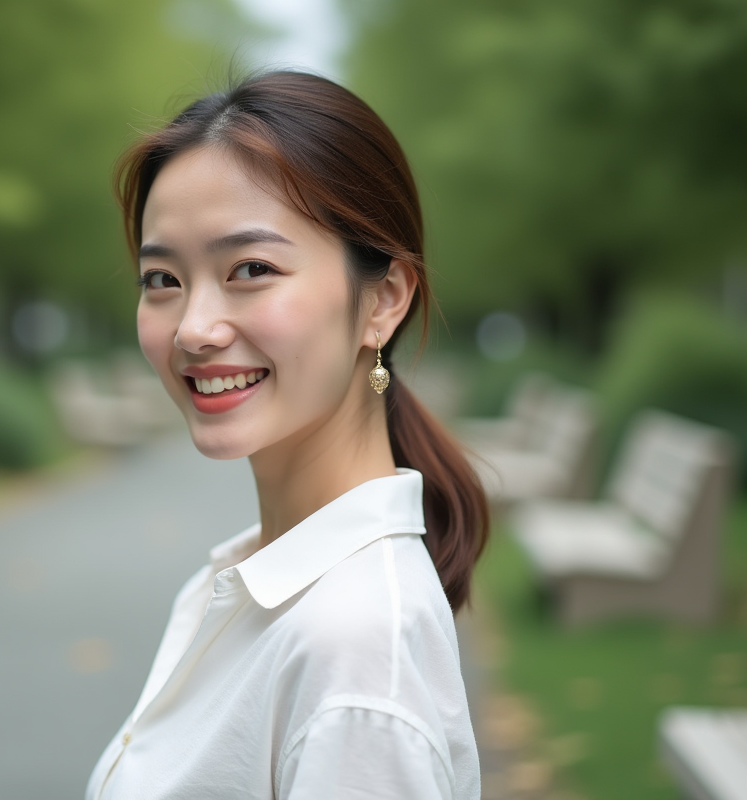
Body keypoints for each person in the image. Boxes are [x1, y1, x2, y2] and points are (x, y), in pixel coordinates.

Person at [85, 71, 490, 800]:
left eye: (251, 269)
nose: (194, 329)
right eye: (162, 279)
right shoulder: (248, 584)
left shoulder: (354, 659)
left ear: (383, 301)